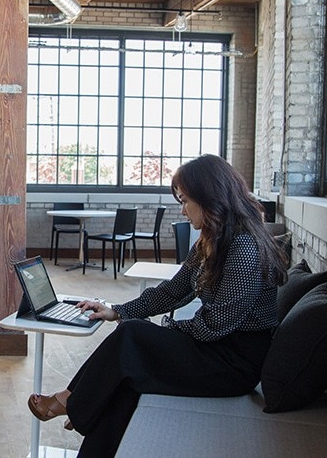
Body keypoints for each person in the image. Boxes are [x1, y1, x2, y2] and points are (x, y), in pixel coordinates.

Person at [27, 154, 288, 457]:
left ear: (210, 198)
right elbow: (174, 290)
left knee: (134, 337)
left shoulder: (242, 247)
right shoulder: (214, 239)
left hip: (233, 363)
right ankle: (81, 407)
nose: (183, 209)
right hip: (217, 349)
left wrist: (163, 328)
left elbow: (215, 325)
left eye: (186, 200)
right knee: (127, 378)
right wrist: (118, 310)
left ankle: (70, 401)